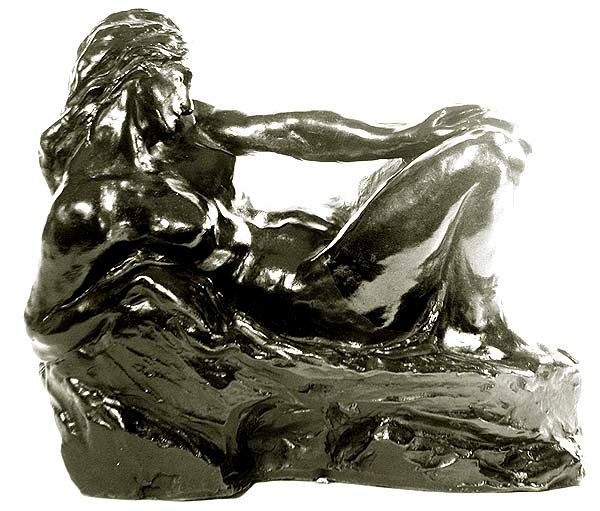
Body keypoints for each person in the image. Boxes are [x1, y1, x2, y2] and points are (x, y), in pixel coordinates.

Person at [26, 9, 533, 368]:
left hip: (329, 236)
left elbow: (290, 132)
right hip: (324, 294)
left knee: (478, 139)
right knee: (490, 155)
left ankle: (471, 325)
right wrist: (141, 291)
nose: (187, 89)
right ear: (135, 79)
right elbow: (44, 327)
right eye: (176, 75)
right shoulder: (92, 205)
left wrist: (405, 137)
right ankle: (473, 330)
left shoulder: (187, 129)